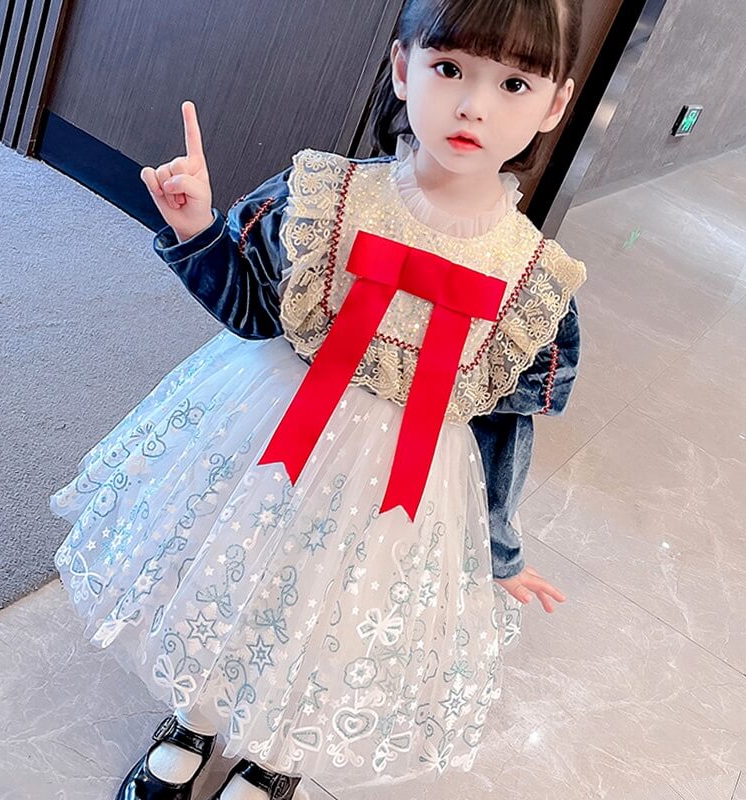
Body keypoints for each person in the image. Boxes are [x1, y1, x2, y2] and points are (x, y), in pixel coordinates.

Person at [49, 0, 586, 798]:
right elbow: (252, 311)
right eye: (449, 69)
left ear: (554, 104)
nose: (474, 105)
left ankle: (276, 757)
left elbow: (503, 427)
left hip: (402, 485)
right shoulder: (324, 198)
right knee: (233, 569)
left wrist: (499, 550)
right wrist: (198, 230)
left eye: (513, 83)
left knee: (338, 613)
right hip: (268, 430)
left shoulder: (536, 282)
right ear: (402, 68)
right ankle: (194, 716)